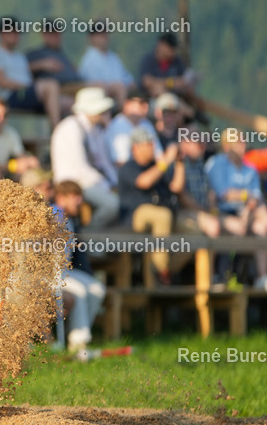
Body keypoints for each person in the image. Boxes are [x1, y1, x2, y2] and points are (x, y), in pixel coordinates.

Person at [117, 129, 185, 285]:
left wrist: (180, 163)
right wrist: (166, 160)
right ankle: (160, 269)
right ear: (136, 147)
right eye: (148, 144)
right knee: (162, 215)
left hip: (163, 215)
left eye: (152, 143)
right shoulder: (129, 167)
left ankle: (164, 271)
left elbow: (176, 188)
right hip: (135, 216)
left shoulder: (156, 166)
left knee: (194, 230)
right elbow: (144, 182)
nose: (152, 147)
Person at [205, 130, 267, 290]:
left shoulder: (250, 168)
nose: (243, 144)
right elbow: (224, 194)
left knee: (260, 228)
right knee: (244, 225)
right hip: (220, 214)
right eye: (238, 142)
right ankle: (216, 276)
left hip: (248, 214)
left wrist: (247, 205)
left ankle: (262, 278)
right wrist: (246, 196)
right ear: (226, 146)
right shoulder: (217, 163)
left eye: (243, 141)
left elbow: (256, 197)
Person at [51, 87, 120, 230]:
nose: (105, 113)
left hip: (87, 181)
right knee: (111, 204)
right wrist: (107, 186)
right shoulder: (70, 127)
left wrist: (114, 184)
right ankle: (89, 237)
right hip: (72, 183)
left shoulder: (94, 129)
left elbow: (103, 161)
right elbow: (80, 168)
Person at [51, 180, 106, 352]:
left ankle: (77, 332)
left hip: (64, 271)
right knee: (79, 291)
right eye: (74, 196)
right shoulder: (55, 213)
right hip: (49, 272)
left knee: (97, 289)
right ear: (61, 198)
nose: (79, 200)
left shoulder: (71, 219)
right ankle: (78, 342)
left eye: (79, 196)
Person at [0, 20, 60, 127]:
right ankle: (56, 131)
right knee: (51, 86)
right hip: (11, 95)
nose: (15, 36)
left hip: (27, 94)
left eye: (17, 33)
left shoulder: (19, 56)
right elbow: (2, 82)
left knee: (70, 103)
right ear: (2, 34)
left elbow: (28, 71)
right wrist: (27, 86)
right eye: (11, 32)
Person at [78, 23, 134, 108]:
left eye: (106, 33)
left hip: (120, 92)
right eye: (101, 34)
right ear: (92, 37)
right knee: (119, 88)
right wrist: (116, 87)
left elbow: (127, 78)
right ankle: (124, 113)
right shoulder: (89, 59)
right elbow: (97, 84)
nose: (105, 37)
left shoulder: (113, 57)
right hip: (100, 96)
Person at [106, 89, 163, 166]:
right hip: (123, 172)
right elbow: (121, 164)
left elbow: (159, 155)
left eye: (147, 103)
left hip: (148, 169)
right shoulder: (117, 126)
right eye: (141, 103)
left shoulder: (146, 123)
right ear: (127, 104)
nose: (146, 106)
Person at [139, 32, 196, 101]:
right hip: (152, 100)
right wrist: (172, 83)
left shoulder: (177, 62)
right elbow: (147, 81)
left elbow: (185, 82)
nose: (172, 51)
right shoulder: (149, 59)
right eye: (170, 47)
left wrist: (160, 83)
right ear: (161, 44)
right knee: (157, 89)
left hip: (177, 99)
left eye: (173, 48)